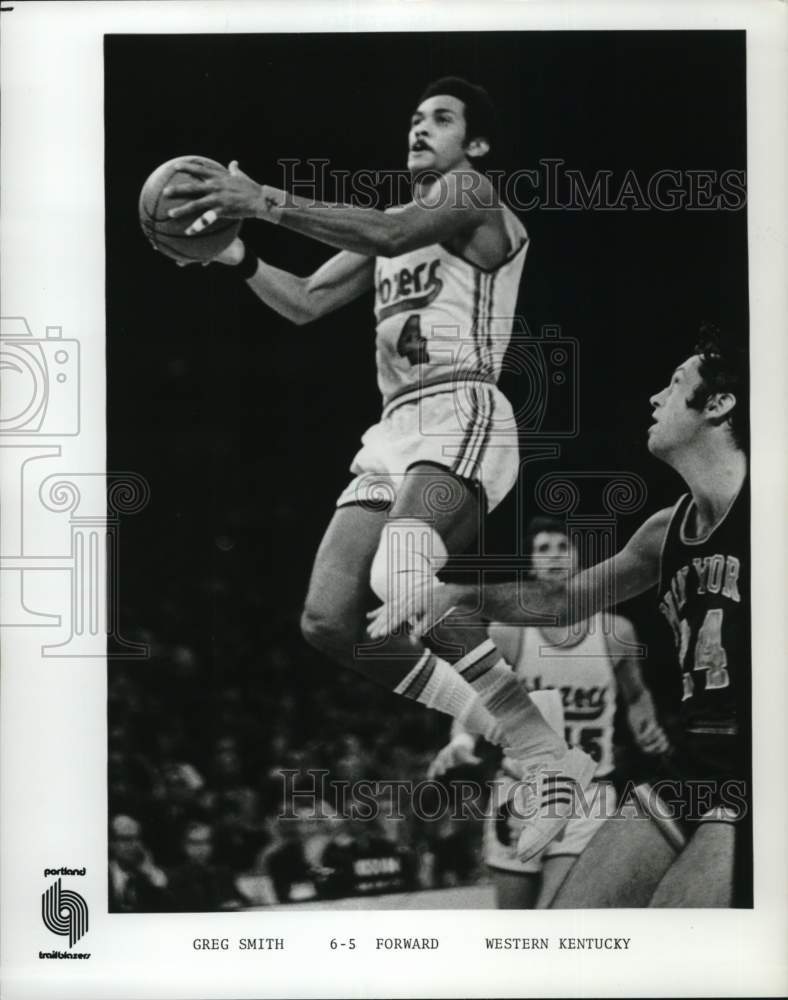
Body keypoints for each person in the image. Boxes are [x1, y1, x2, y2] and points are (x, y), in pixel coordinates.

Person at [162, 77, 595, 856]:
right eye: (413, 119)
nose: (419, 129)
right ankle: (509, 732)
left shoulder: (470, 193)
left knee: (402, 575)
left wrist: (259, 197)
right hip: (394, 430)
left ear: (478, 143)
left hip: (461, 409)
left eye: (440, 118)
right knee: (327, 620)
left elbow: (393, 235)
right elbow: (300, 300)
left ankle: (541, 755)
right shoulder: (388, 230)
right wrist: (235, 255)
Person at [373, 323, 751, 905]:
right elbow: (561, 601)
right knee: (570, 925)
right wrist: (458, 593)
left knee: (683, 931)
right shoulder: (662, 531)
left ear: (721, 404)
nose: (655, 398)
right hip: (692, 761)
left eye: (675, 384)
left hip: (758, 765)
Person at [429, 516, 669, 908]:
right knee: (517, 926)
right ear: (531, 564)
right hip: (519, 791)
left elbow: (637, 694)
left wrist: (647, 723)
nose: (554, 556)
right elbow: (477, 694)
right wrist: (461, 737)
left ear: (578, 559)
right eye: (543, 549)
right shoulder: (508, 631)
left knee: (562, 915)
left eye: (563, 547)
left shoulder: (616, 631)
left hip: (589, 795)